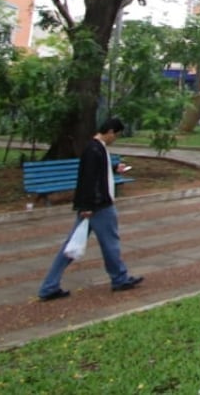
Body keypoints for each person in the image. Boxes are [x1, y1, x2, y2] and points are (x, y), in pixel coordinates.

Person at [37, 118, 143, 301]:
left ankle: (49, 286)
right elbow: (87, 179)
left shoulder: (96, 148)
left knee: (71, 247)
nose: (115, 139)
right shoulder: (94, 149)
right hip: (98, 205)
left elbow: (97, 172)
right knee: (110, 243)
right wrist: (86, 205)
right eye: (115, 135)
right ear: (109, 131)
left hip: (94, 204)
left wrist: (114, 168)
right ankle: (119, 278)